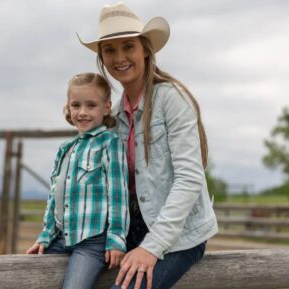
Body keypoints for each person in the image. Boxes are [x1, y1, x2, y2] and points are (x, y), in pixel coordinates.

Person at [77, 2, 218, 289]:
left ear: (145, 49)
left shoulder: (171, 99)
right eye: (110, 50)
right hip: (133, 229)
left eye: (128, 46)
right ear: (102, 57)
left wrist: (151, 246)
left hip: (179, 234)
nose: (119, 57)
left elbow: (190, 179)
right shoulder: (114, 115)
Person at [26, 72, 130, 289]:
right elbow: (54, 197)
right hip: (61, 239)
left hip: (91, 243)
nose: (82, 112)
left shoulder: (109, 144)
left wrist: (116, 240)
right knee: (24, 275)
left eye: (91, 105)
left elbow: (118, 196)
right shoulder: (66, 148)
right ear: (68, 107)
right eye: (76, 105)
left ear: (106, 107)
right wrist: (45, 236)